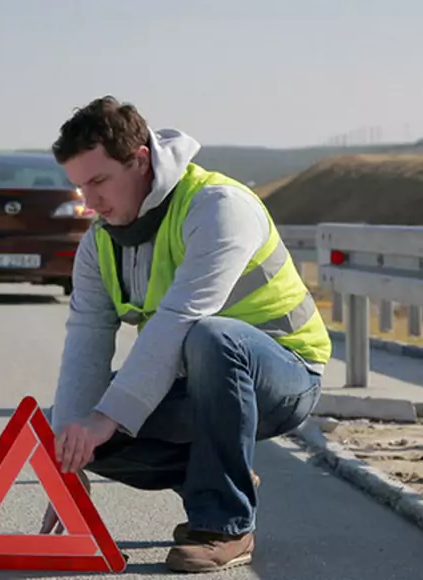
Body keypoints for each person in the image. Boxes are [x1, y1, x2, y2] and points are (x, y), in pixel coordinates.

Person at [39, 96, 331, 573]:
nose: (89, 202)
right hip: (196, 385)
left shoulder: (218, 207)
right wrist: (67, 461)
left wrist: (105, 418)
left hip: (284, 375)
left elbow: (180, 319)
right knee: (68, 429)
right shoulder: (99, 243)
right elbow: (85, 342)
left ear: (139, 160)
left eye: (98, 181)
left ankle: (225, 525)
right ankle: (222, 474)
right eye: (78, 187)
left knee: (210, 337)